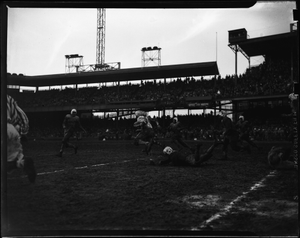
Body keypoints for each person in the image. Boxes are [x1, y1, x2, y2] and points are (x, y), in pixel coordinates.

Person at [7, 95, 36, 183]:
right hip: (12, 129)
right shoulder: (9, 98)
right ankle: (22, 163)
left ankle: (21, 163)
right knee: (14, 158)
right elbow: (22, 114)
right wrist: (22, 132)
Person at [150, 140, 222, 167]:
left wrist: (161, 162)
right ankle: (213, 145)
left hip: (187, 159)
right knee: (204, 156)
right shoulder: (176, 152)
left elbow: (171, 162)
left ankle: (198, 148)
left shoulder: (172, 157)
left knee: (196, 162)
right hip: (189, 155)